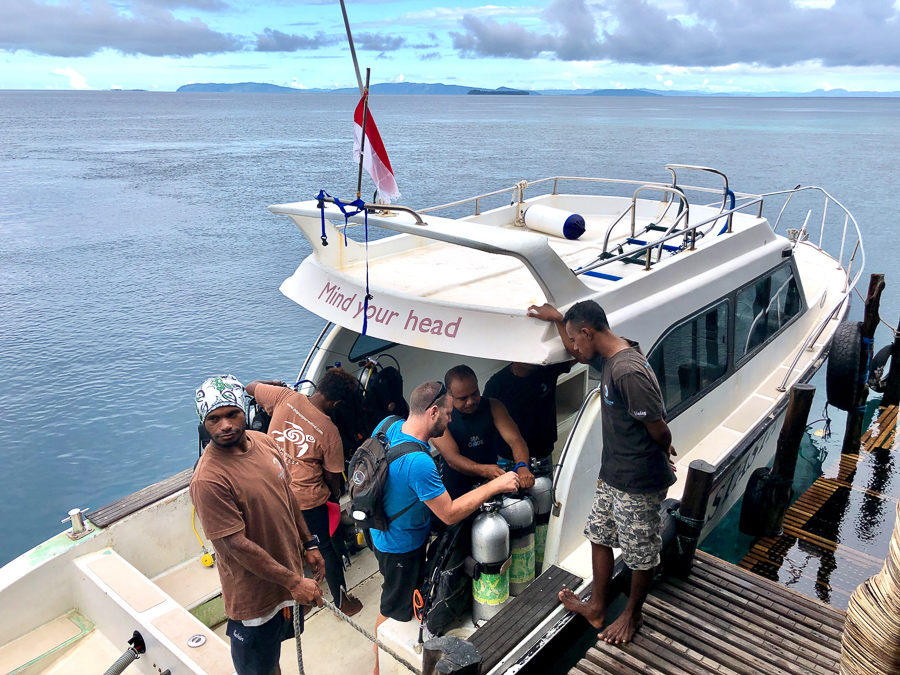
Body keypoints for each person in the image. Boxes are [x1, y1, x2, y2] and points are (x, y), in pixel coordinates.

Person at [528, 301, 677, 645]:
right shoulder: (607, 357)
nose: (575, 348)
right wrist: (556, 318)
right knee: (599, 534)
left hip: (639, 481)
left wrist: (662, 451)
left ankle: (632, 615)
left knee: (640, 553)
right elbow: (578, 353)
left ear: (588, 332)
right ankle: (597, 605)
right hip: (614, 474)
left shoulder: (628, 371)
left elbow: (660, 429)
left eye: (575, 339)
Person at [371, 380, 520, 675]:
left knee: (396, 597)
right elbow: (450, 513)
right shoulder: (419, 463)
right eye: (449, 414)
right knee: (393, 611)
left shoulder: (389, 425)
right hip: (401, 547)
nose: (451, 420)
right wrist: (497, 484)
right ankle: (379, 668)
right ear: (434, 412)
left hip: (380, 530)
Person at [190, 375, 326, 675]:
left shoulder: (264, 442)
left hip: (288, 581)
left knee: (272, 659)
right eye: (214, 419)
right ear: (204, 422)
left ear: (244, 411)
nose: (225, 425)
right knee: (259, 669)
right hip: (255, 599)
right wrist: (294, 582)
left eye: (231, 414)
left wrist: (309, 544)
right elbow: (236, 546)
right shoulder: (208, 480)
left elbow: (287, 495)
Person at [246, 367, 364, 617]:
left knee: (280, 550)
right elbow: (333, 476)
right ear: (337, 402)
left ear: (320, 386)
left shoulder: (284, 396)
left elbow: (250, 386)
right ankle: (342, 604)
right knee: (325, 550)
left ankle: (283, 606)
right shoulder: (329, 431)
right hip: (307, 502)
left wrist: (274, 382)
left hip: (270, 490)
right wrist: (332, 496)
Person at [432, 365, 535, 499]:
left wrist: (522, 465)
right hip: (457, 487)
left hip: (490, 481)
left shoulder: (493, 406)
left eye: (474, 394)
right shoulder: (439, 418)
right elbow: (453, 459)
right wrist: (484, 470)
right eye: (463, 398)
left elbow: (515, 440)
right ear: (449, 395)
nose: (470, 402)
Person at [483, 361, 573, 466]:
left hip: (543, 452)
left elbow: (580, 356)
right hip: (508, 457)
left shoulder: (547, 369)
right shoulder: (496, 384)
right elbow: (485, 421)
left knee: (545, 482)